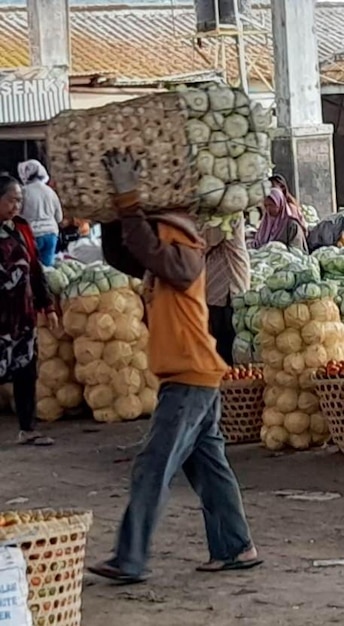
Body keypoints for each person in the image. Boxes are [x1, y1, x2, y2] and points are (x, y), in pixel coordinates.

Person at [89, 149, 261, 584]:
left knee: (152, 465)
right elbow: (129, 253)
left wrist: (129, 201)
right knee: (208, 465)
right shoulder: (167, 247)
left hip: (190, 376)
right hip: (190, 376)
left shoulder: (185, 247)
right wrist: (114, 210)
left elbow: (150, 249)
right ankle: (235, 547)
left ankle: (130, 558)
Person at [0, 175, 58, 444]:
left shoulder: (21, 227)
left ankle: (28, 428)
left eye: (19, 200)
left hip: (22, 314)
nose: (16, 206)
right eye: (11, 200)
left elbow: (35, 268)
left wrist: (47, 306)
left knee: (26, 369)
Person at [205, 216, 250, 364]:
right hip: (217, 283)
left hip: (230, 282)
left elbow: (208, 241)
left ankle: (231, 376)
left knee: (228, 336)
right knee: (219, 335)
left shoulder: (229, 212)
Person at [18, 160, 63, 267]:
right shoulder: (50, 191)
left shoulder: (23, 192)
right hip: (51, 234)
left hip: (31, 235)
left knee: (32, 268)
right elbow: (59, 217)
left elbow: (17, 214)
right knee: (47, 269)